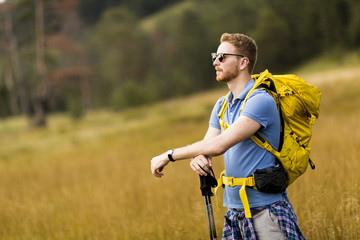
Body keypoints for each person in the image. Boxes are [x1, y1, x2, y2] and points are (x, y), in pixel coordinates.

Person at [151, 33, 305, 240]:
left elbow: (218, 146)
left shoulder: (260, 100)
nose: (215, 62)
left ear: (243, 62)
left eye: (222, 57)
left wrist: (168, 155)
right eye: (215, 56)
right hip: (234, 213)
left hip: (266, 212)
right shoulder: (222, 105)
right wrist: (200, 157)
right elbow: (208, 146)